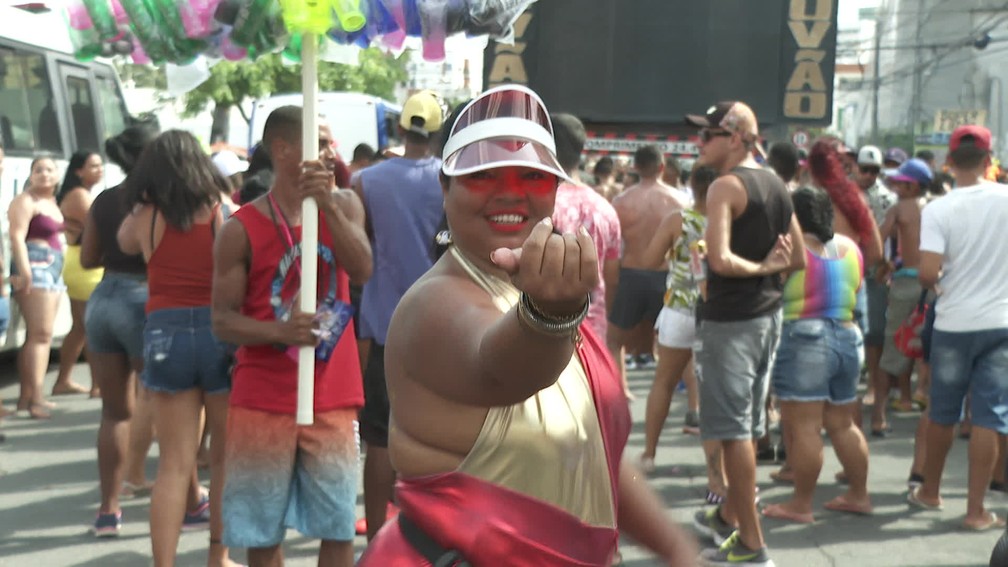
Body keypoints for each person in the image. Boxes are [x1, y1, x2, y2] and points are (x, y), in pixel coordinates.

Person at [357, 84, 698, 566]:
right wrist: (547, 317)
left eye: (532, 176)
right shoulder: (432, 304)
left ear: (555, 188)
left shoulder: (528, 288)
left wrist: (681, 551)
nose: (510, 192)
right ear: (445, 186)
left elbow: (591, 454)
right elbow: (502, 370)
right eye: (483, 174)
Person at [212, 106, 371, 567]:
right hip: (262, 397)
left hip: (333, 396)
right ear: (282, 149)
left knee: (338, 525)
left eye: (330, 143)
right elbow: (221, 320)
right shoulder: (240, 227)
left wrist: (325, 207)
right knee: (262, 533)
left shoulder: (344, 205)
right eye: (319, 143)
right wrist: (278, 330)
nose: (330, 152)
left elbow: (362, 269)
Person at [685, 100, 804, 567]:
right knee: (749, 426)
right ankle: (728, 516)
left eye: (708, 134)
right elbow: (797, 258)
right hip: (766, 317)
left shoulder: (724, 187)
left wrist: (757, 266)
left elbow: (718, 261)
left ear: (735, 138)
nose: (700, 143)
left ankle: (752, 544)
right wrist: (770, 270)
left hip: (731, 321)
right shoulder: (776, 184)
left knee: (733, 432)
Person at [117, 130, 238, 567]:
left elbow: (123, 242)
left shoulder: (147, 215)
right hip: (216, 328)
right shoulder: (221, 211)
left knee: (172, 463)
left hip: (164, 331)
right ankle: (217, 558)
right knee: (223, 459)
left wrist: (143, 199)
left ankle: (163, 564)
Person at [352, 89, 444, 540]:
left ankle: (374, 542)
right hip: (439, 326)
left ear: (401, 128)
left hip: (382, 326)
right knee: (435, 438)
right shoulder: (452, 180)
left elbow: (359, 248)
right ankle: (426, 538)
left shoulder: (366, 181)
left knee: (380, 442)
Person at [911, 125, 1008, 531]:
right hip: (1002, 322)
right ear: (989, 161)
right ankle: (975, 510)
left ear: (949, 162)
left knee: (943, 412)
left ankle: (930, 490)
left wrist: (942, 283)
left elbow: (927, 272)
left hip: (953, 323)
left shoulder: (938, 208)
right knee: (990, 415)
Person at [760, 187, 873, 524]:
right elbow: (854, 289)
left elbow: (770, 287)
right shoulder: (851, 248)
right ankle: (859, 494)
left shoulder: (789, 248)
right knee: (842, 423)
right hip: (848, 336)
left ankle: (801, 504)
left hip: (804, 336)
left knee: (804, 426)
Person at [81, 125, 159, 536]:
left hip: (103, 299)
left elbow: (89, 257)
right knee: (168, 404)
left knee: (114, 413)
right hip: (144, 299)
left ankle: (108, 510)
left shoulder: (105, 199)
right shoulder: (158, 200)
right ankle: (187, 498)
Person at [638, 167, 716, 489]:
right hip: (718, 313)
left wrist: (675, 259)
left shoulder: (677, 220)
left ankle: (649, 454)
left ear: (691, 186)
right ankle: (717, 470)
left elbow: (648, 261)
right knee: (716, 392)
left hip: (679, 310)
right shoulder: (730, 221)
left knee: (664, 382)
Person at [609, 145, 689, 390]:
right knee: (677, 344)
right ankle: (689, 402)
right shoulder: (680, 200)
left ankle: (617, 391)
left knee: (614, 341)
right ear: (662, 167)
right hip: (666, 275)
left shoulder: (622, 201)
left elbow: (614, 246)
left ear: (636, 167)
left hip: (631, 273)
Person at [550, 113, 622, 343]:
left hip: (546, 331)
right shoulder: (605, 209)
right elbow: (611, 279)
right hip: (593, 332)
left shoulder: (540, 205)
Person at [8, 154, 65, 419]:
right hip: (35, 264)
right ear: (30, 175)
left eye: (49, 169)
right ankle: (37, 399)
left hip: (53, 267)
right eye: (38, 170)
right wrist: (25, 270)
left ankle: (26, 397)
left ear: (57, 175)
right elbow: (17, 236)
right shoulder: (25, 201)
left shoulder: (52, 201)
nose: (44, 174)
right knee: (41, 335)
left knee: (39, 335)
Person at [877, 158, 933, 426]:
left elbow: (880, 238)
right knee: (929, 345)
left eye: (900, 182)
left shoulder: (900, 208)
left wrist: (882, 266)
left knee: (895, 343)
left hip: (906, 281)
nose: (895, 185)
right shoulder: (936, 207)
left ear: (912, 186)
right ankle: (926, 400)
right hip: (934, 282)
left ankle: (880, 413)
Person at [53, 150, 104, 398]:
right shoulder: (80, 196)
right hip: (86, 265)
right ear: (78, 171)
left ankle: (62, 380)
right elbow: (102, 229)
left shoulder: (80, 193)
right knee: (91, 327)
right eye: (93, 165)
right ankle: (97, 385)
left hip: (77, 261)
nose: (100, 169)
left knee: (80, 328)